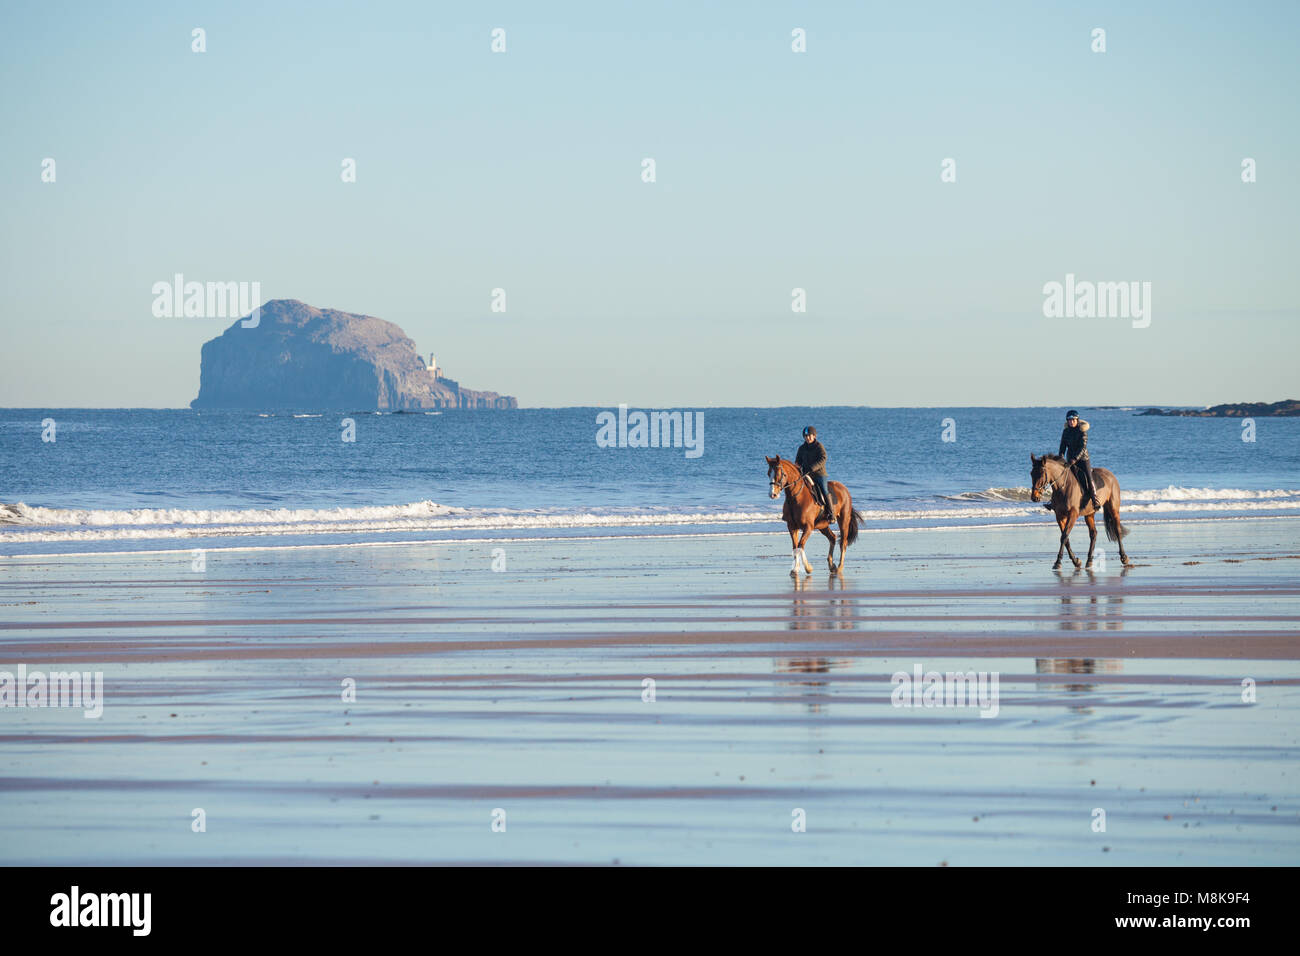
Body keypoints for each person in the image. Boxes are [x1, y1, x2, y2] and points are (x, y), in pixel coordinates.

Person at [1058, 410, 1101, 510]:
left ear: (1077, 420)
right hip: (1069, 460)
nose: (1071, 422)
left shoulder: (1082, 432)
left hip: (1083, 459)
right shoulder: (1066, 432)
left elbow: (1082, 448)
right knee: (1061, 477)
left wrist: (1075, 459)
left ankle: (1095, 500)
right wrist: (1060, 457)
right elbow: (1062, 446)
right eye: (1069, 420)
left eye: (1073, 420)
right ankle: (1054, 501)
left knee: (1089, 478)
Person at [795, 425, 834, 522]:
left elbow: (823, 458)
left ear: (814, 436)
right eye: (805, 436)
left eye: (809, 436)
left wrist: (812, 468)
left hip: (819, 474)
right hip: (806, 474)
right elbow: (798, 461)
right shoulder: (801, 448)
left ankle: (831, 514)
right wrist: (797, 468)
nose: (807, 438)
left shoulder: (819, 446)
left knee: (824, 490)